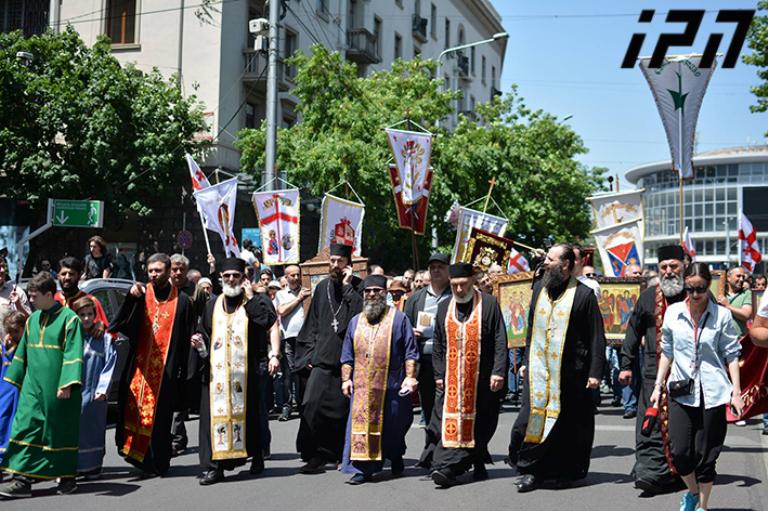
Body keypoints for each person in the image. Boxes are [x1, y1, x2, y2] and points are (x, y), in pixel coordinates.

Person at [508, 244, 605, 493]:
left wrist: (595, 373)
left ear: (565, 265)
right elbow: (531, 328)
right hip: (539, 371)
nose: (545, 263)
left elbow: (596, 336)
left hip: (571, 373)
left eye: (550, 259)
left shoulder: (583, 295)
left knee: (567, 426)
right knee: (532, 420)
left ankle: (565, 473)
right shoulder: (539, 290)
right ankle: (531, 470)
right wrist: (526, 360)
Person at [652, 262, 742, 511]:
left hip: (713, 391)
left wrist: (736, 392)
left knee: (707, 455)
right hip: (681, 389)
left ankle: (702, 506)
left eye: (700, 288)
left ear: (708, 286)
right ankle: (692, 492)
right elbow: (667, 352)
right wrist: (658, 385)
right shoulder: (673, 313)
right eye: (689, 288)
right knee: (680, 452)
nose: (694, 294)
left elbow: (731, 355)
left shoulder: (722, 315)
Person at [193, 257, 277, 485]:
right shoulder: (212, 305)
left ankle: (257, 456)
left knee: (251, 417)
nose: (231, 279)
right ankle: (215, 467)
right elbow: (204, 331)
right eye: (227, 276)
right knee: (213, 419)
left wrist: (250, 298)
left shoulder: (255, 301)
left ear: (244, 278)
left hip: (246, 373)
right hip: (217, 375)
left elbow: (267, 321)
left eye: (235, 276)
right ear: (221, 278)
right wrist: (199, 341)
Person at [0, 272, 84, 497]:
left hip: (59, 390)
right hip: (31, 389)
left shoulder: (70, 319)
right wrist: (15, 379)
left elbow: (73, 353)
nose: (31, 300)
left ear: (49, 295)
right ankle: (21, 480)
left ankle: (67, 478)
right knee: (24, 427)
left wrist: (67, 384)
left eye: (34, 296)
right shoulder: (32, 320)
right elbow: (22, 353)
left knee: (58, 433)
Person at [108, 253, 193, 476]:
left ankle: (158, 461)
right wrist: (130, 298)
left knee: (160, 418)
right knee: (134, 412)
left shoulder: (182, 301)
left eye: (158, 270)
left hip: (166, 371)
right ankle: (138, 457)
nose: (154, 274)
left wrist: (184, 374)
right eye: (150, 271)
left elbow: (186, 339)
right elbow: (118, 323)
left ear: (168, 271)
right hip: (138, 368)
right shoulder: (141, 295)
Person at [429, 263, 507, 487]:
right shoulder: (444, 307)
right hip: (452, 380)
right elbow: (438, 343)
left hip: (482, 378)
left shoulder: (489, 304)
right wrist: (439, 374)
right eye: (454, 285)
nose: (459, 290)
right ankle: (448, 466)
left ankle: (477, 460)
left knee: (482, 422)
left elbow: (500, 339)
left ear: (473, 281)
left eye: (463, 284)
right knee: (446, 422)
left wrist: (498, 372)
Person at [619, 245, 688, 494]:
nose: (668, 271)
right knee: (650, 422)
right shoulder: (648, 296)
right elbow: (633, 331)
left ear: (684, 266)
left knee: (682, 426)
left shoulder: (695, 294)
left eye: (673, 266)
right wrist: (626, 365)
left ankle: (679, 472)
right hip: (652, 370)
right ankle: (650, 471)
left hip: (687, 373)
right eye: (663, 267)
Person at [340, 275, 419, 484]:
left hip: (391, 385)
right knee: (362, 426)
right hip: (362, 388)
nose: (372, 294)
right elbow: (347, 354)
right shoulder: (355, 321)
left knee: (393, 426)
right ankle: (362, 469)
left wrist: (410, 377)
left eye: (377, 290)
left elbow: (410, 351)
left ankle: (395, 455)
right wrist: (346, 379)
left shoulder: (399, 319)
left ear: (385, 293)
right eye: (368, 291)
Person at [295, 243, 363, 474]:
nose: (335, 265)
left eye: (340, 262)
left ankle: (341, 454)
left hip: (348, 361)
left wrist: (347, 288)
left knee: (342, 412)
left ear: (348, 264)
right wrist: (308, 354)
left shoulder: (359, 288)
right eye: (332, 261)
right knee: (311, 405)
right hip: (322, 359)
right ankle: (315, 455)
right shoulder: (322, 287)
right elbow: (312, 322)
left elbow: (360, 317)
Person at [404, 253, 452, 468]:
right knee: (429, 406)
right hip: (424, 358)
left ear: (448, 270)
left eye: (441, 266)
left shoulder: (455, 294)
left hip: (449, 358)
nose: (436, 271)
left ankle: (447, 449)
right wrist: (411, 332)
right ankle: (430, 449)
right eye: (432, 267)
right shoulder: (417, 298)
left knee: (447, 406)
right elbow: (405, 325)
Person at [72, 296, 117, 479]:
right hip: (75, 392)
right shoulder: (71, 337)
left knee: (94, 428)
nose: (86, 318)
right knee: (75, 429)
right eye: (82, 315)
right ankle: (75, 466)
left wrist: (102, 389)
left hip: (94, 394)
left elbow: (110, 363)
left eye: (90, 314)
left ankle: (93, 466)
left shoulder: (104, 339)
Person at [275, 265, 310, 422]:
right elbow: (282, 311)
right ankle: (287, 406)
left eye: (298, 275)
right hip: (289, 338)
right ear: (286, 277)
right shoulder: (281, 294)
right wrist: (298, 299)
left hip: (306, 338)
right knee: (289, 373)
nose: (296, 278)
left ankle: (303, 405)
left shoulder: (307, 290)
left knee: (304, 372)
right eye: (292, 275)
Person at [54, 257, 109, 327]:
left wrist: (100, 325)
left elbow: (104, 328)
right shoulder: (53, 300)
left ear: (79, 276)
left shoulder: (90, 301)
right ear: (58, 276)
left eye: (71, 274)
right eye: (63, 274)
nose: (67, 277)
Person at [0, 312, 23, 468]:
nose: (13, 335)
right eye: (10, 332)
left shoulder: (26, 347)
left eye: (16, 331)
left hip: (21, 393)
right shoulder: (5, 348)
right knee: (3, 423)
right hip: (5, 393)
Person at [716, 267, 752, 337]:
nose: (741, 279)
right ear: (728, 277)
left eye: (743, 277)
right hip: (719, 338)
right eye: (738, 276)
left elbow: (746, 315)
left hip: (738, 339)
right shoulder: (720, 292)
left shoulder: (747, 293)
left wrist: (728, 306)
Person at [0, 256, 30, 340]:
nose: (2, 270)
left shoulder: (17, 291)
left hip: (11, 346)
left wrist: (18, 305)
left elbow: (30, 321)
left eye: (3, 266)